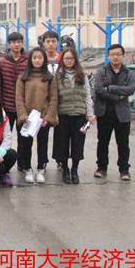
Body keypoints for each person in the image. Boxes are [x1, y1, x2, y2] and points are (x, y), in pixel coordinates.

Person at [93, 44, 135, 181]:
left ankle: (124, 170)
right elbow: (98, 90)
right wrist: (117, 97)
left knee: (123, 143)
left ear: (123, 56)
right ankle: (101, 167)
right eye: (112, 54)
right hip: (104, 112)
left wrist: (110, 88)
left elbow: (131, 89)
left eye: (118, 54)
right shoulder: (102, 71)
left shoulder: (129, 73)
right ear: (108, 56)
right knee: (102, 142)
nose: (115, 57)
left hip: (122, 114)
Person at [15, 47, 58, 184]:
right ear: (30, 60)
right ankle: (27, 168)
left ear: (44, 59)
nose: (37, 60)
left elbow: (53, 99)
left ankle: (41, 168)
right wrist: (23, 116)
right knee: (25, 144)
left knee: (42, 144)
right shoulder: (23, 77)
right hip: (27, 119)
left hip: (42, 119)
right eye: (34, 58)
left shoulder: (49, 78)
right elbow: (19, 98)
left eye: (40, 58)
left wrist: (48, 117)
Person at [54, 48, 94, 184]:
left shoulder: (82, 74)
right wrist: (54, 115)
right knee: (62, 144)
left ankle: (74, 169)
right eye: (66, 58)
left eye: (71, 58)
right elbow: (54, 97)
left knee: (78, 144)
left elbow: (87, 95)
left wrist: (90, 114)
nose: (69, 61)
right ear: (62, 60)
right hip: (63, 114)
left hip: (79, 115)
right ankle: (65, 169)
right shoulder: (58, 76)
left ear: (75, 59)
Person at [0, 31, 28, 171]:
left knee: (24, 137)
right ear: (9, 44)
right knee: (4, 137)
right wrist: (0, 106)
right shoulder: (1, 63)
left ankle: (23, 163)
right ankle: (4, 164)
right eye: (13, 42)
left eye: (19, 42)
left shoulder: (28, 61)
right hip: (7, 107)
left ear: (22, 43)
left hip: (24, 107)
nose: (16, 45)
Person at [42, 30, 63, 170]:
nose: (50, 44)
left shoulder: (64, 58)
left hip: (62, 101)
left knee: (61, 133)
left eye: (53, 41)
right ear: (43, 43)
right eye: (48, 41)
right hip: (44, 100)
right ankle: (43, 160)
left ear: (57, 42)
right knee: (43, 133)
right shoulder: (39, 57)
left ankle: (60, 159)